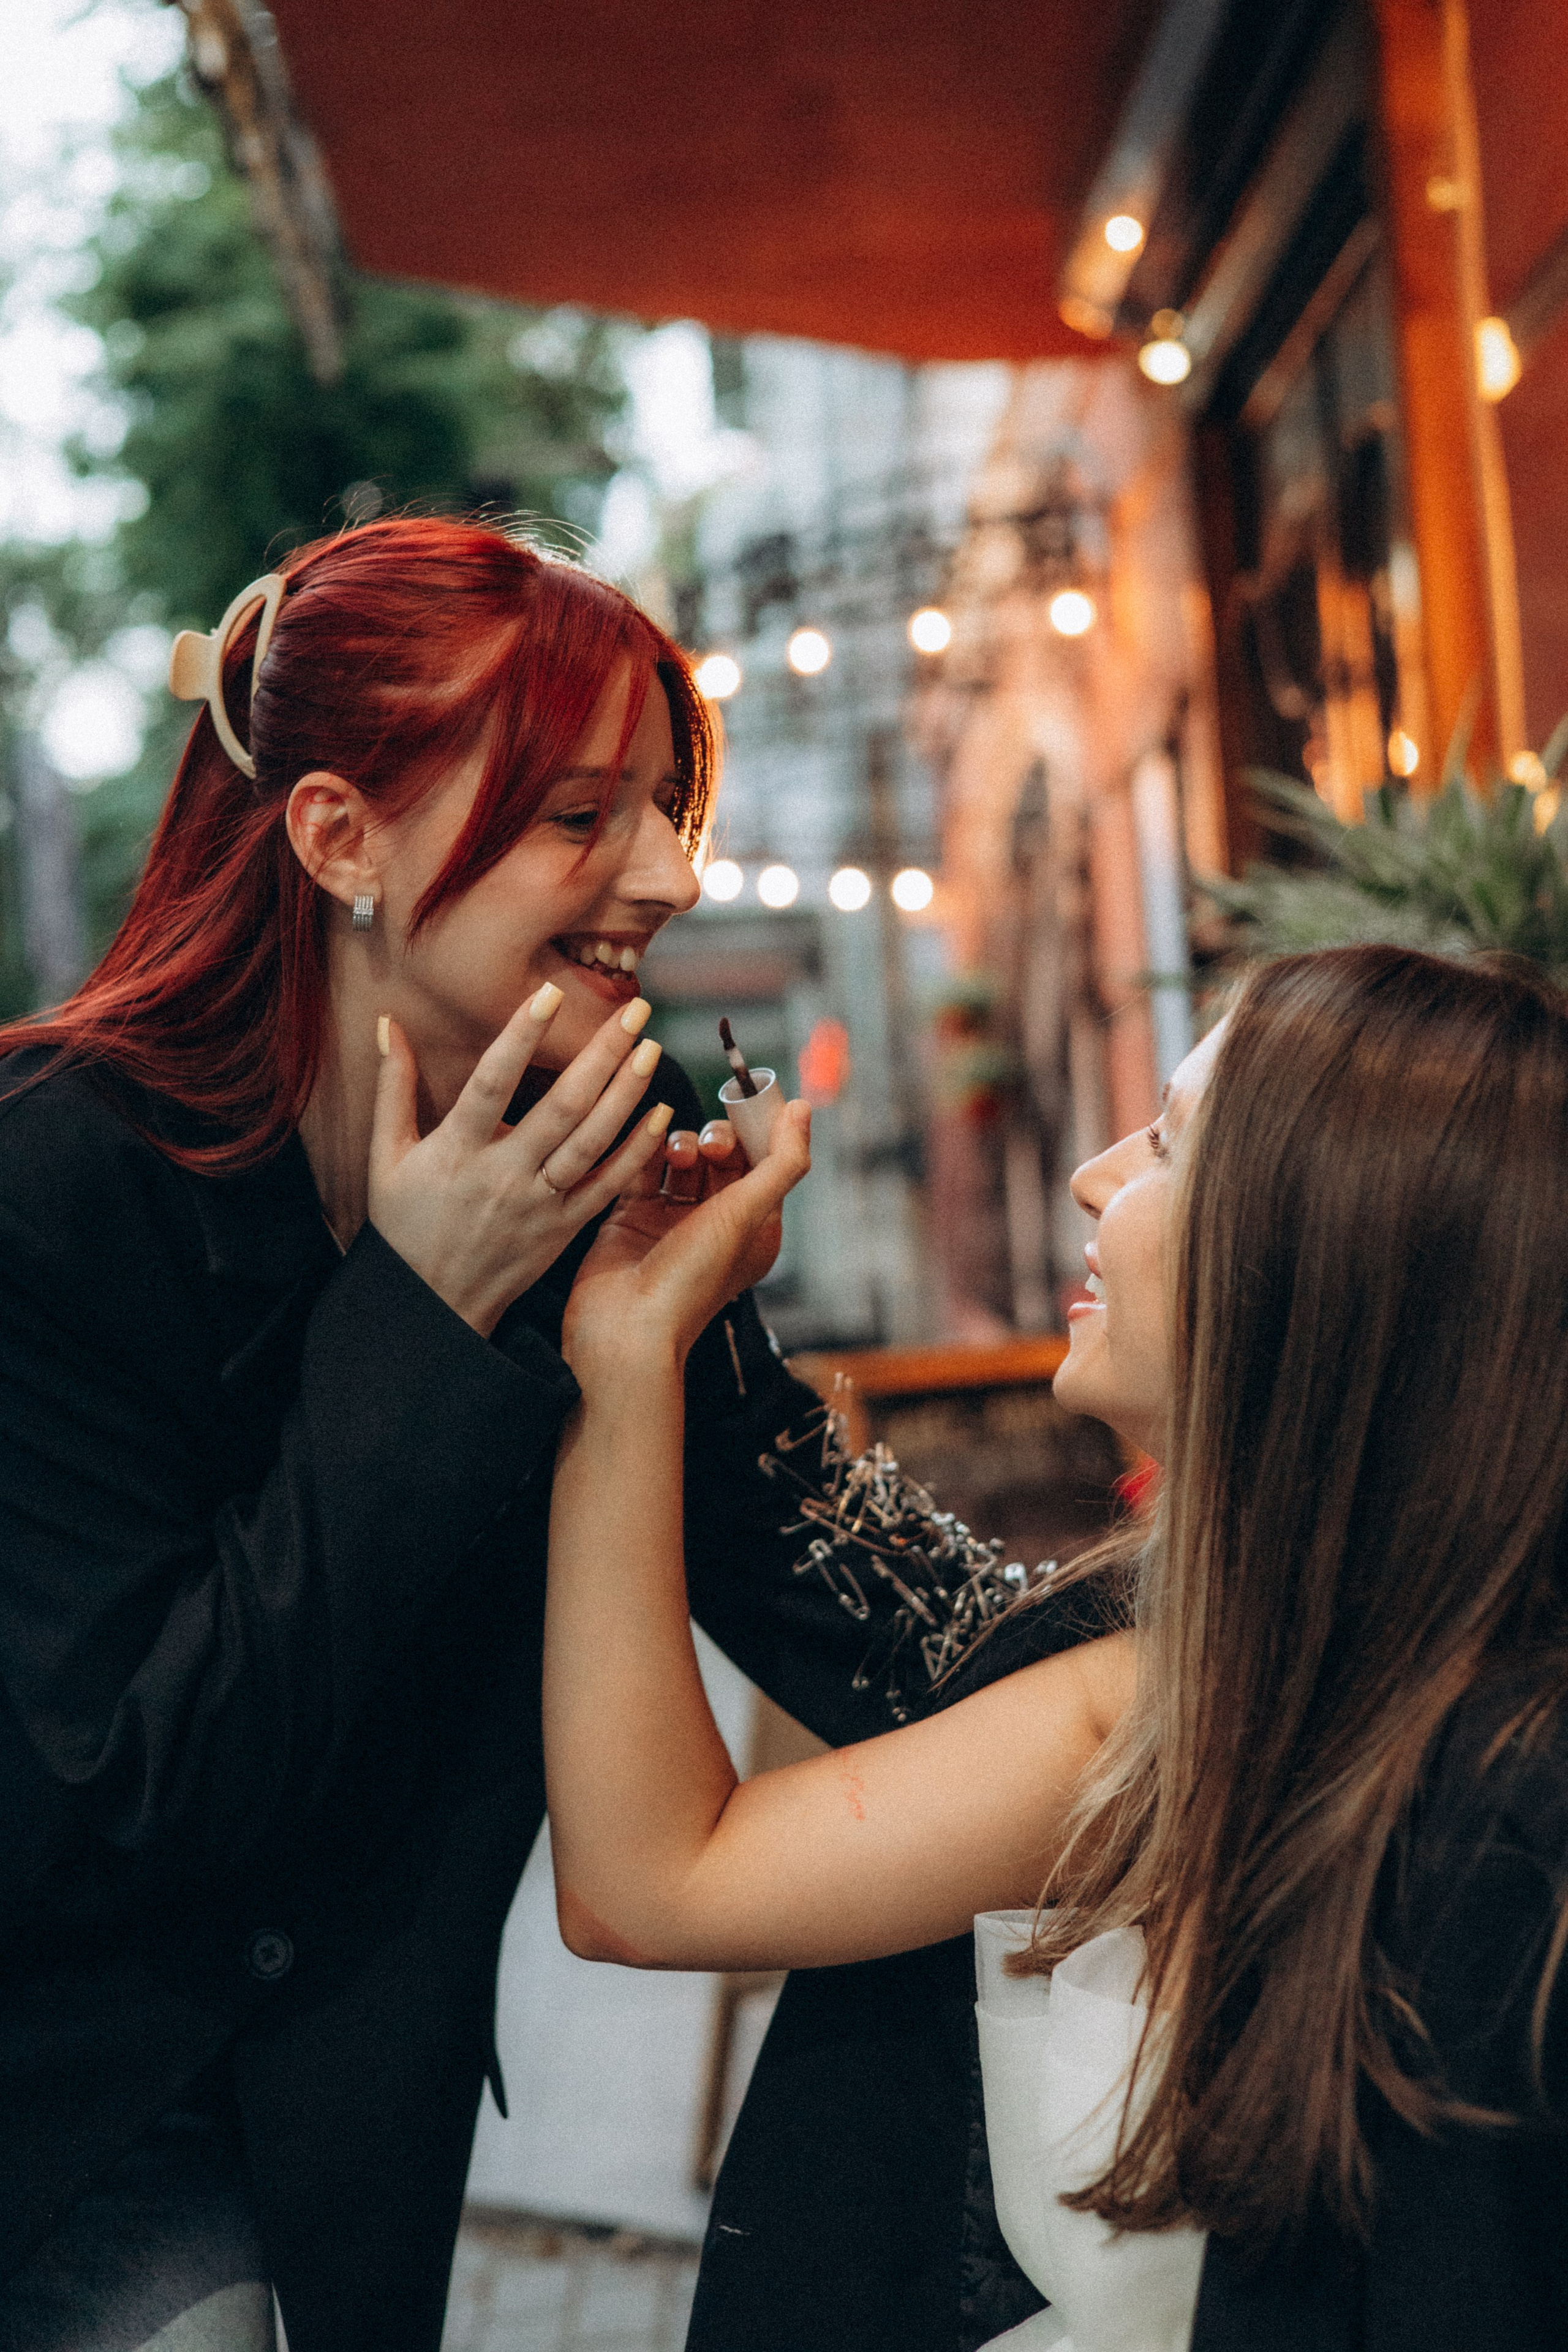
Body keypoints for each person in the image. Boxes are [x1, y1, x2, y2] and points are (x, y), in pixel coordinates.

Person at [0, 516, 938, 2352]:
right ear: (340, 837)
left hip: (343, 2135)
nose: (667, 873)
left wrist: (1250, 1642)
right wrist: (417, 1320)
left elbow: (885, 1630)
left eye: (669, 806)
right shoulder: (58, 1179)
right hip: (60, 2105)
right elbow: (132, 1792)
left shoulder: (596, 1178)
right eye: (583, 814)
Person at [546, 943, 1568, 2351]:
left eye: (1165, 1141)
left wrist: (626, 1357)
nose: (1093, 1171)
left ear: (1317, 1260)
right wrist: (671, 1341)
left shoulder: (1357, 1757)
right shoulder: (1240, 1670)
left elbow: (644, 1886)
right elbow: (843, 1635)